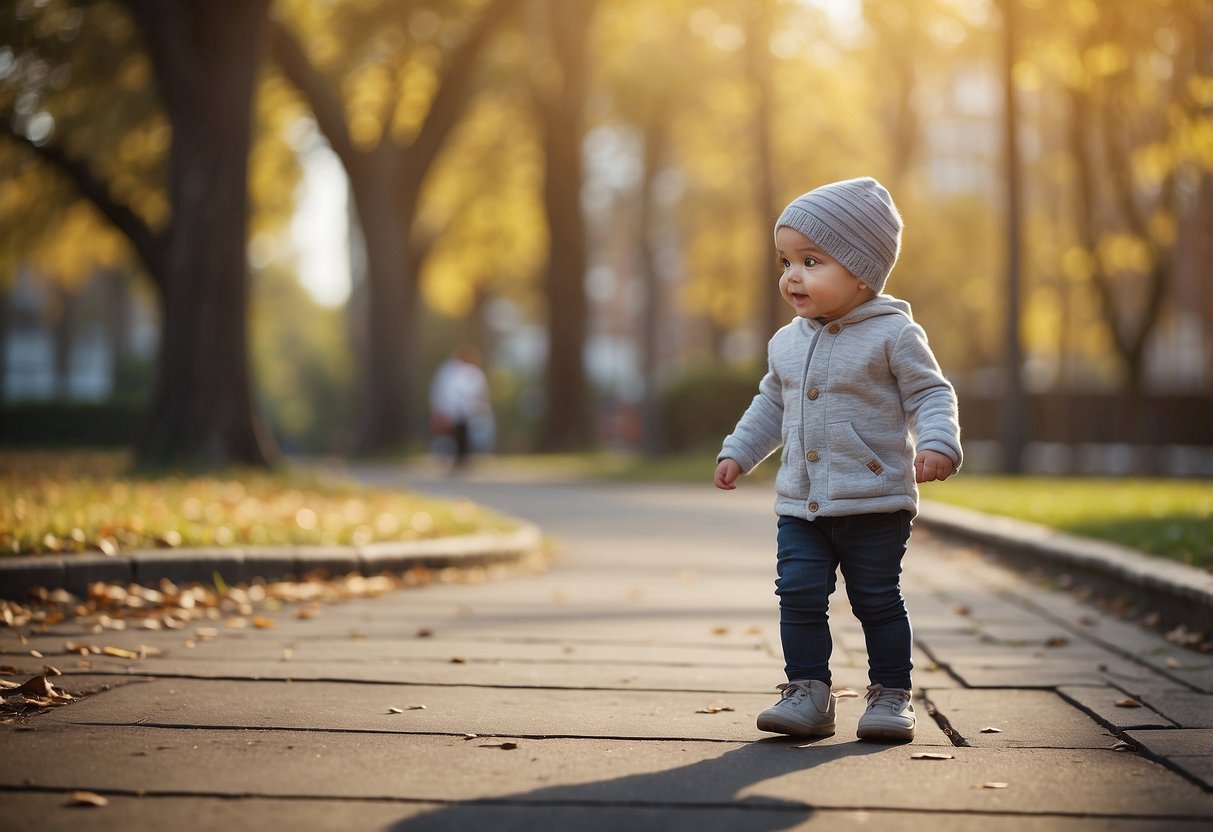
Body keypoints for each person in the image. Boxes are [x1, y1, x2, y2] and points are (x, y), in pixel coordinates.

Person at [714, 177, 962, 742]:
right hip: (801, 501)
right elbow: (771, 403)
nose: (791, 276)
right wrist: (740, 451)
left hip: (875, 501)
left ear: (861, 270)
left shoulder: (895, 334)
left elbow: (930, 393)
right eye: (785, 261)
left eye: (810, 260)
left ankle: (892, 694)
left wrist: (938, 442)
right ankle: (807, 692)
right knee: (799, 592)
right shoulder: (787, 342)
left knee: (876, 598)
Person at [429, 346, 493, 471]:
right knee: (451, 436)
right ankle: (453, 459)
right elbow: (442, 391)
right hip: (451, 409)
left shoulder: (473, 372)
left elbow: (477, 393)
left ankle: (463, 460)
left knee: (465, 435)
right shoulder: (448, 371)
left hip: (465, 410)